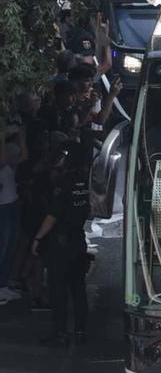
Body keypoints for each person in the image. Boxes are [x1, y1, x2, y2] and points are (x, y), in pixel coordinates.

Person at [29, 139, 92, 344]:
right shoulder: (83, 181)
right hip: (78, 240)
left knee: (58, 289)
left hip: (61, 242)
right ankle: (81, 330)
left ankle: (60, 333)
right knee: (78, 288)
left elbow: (53, 216)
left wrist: (38, 238)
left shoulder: (63, 184)